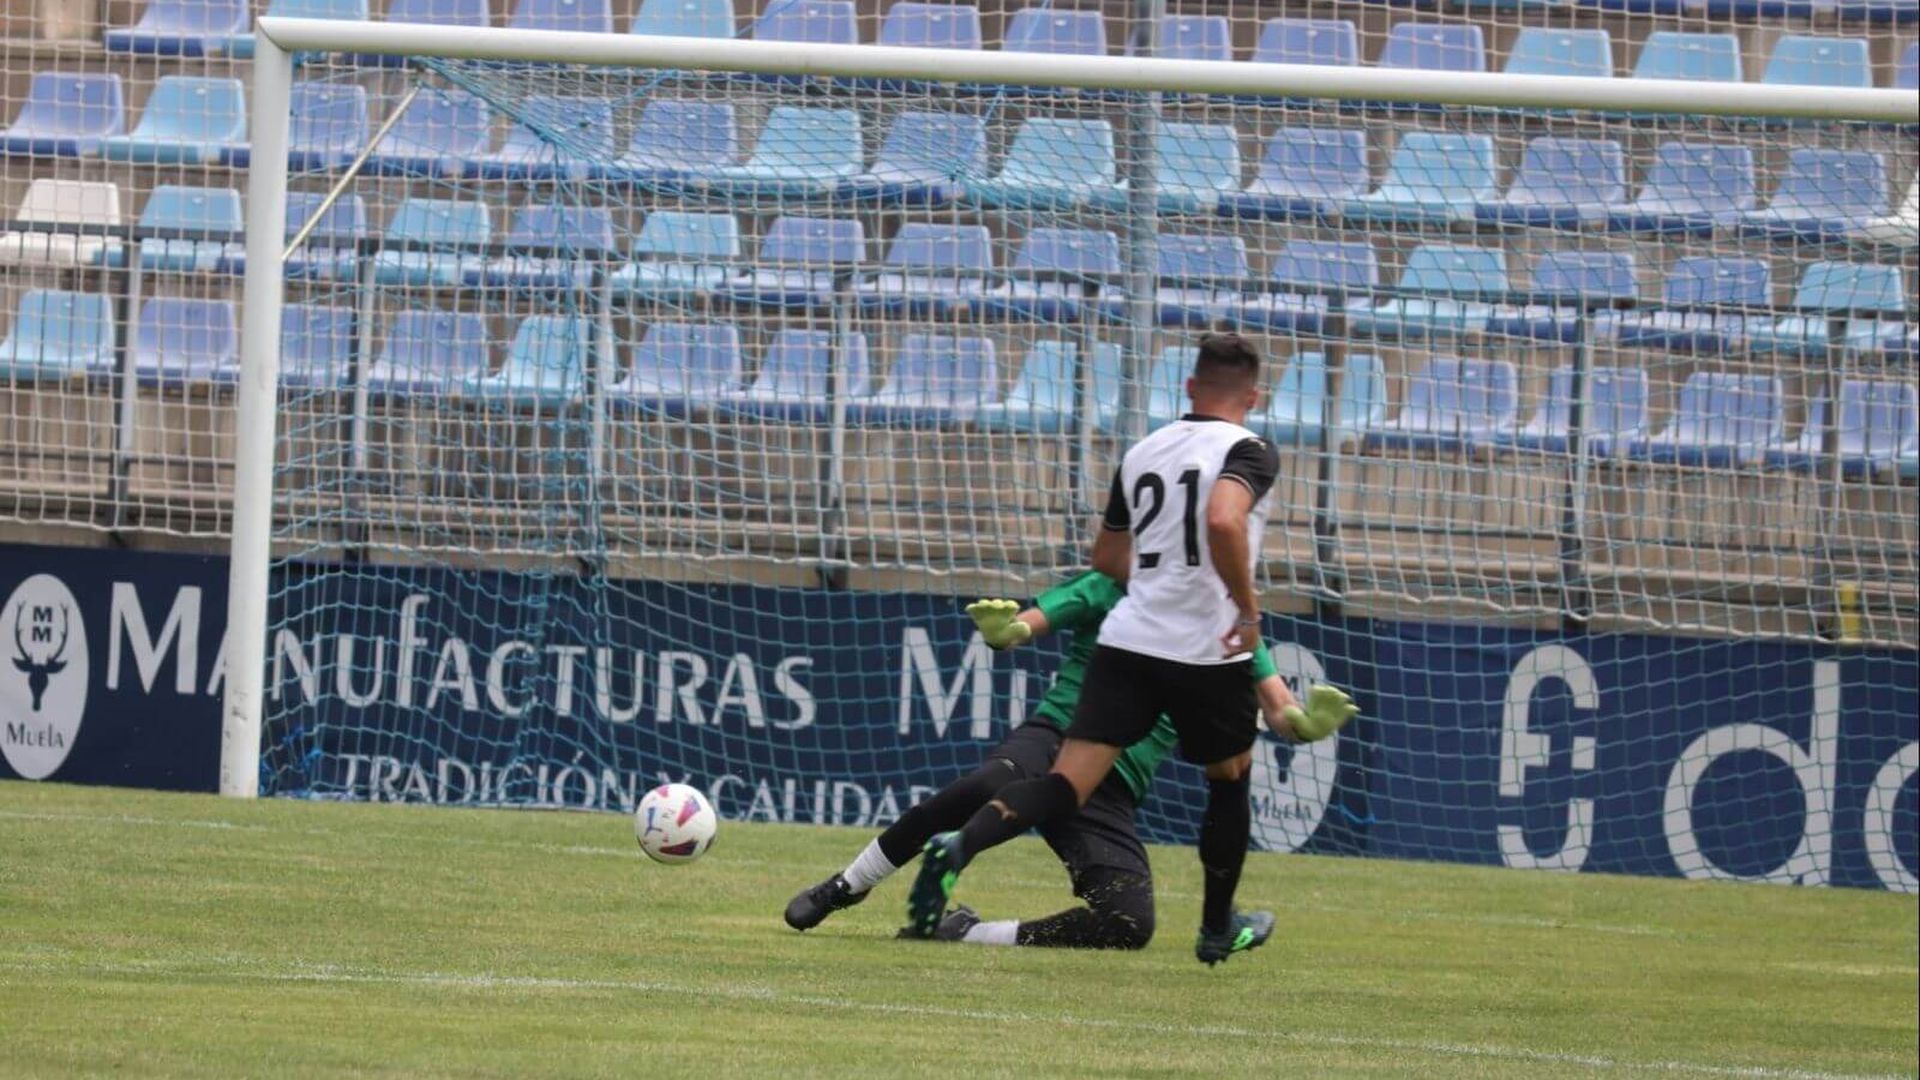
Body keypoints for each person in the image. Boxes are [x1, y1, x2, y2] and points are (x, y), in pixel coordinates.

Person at [905, 332, 1356, 966]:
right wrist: (1247, 613)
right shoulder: (1250, 450)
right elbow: (1225, 518)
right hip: (1205, 645)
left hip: (1128, 639)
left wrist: (1162, 567)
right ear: (1254, 397)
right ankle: (1216, 927)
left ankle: (960, 845)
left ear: (1190, 387)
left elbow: (1109, 559)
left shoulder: (1145, 450)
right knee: (1229, 781)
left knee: (1068, 784)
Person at [783, 570, 1348, 950]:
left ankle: (967, 933)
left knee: (1130, 923)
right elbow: (1030, 623)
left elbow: (1280, 708)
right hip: (1060, 736)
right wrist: (1004, 631)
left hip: (1114, 785)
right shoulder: (1113, 586)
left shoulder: (1232, 624)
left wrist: (1305, 726)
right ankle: (846, 886)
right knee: (985, 783)